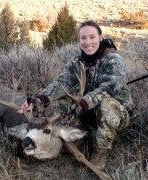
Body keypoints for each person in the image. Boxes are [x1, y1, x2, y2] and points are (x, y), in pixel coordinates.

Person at [18, 20, 134, 170]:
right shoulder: (78, 61)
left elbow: (110, 87)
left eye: (92, 37)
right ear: (79, 40)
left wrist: (84, 103)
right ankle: (64, 142)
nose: (88, 42)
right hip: (87, 111)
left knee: (107, 106)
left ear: (100, 37)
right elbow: (61, 83)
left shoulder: (113, 59)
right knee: (61, 109)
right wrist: (38, 100)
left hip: (117, 115)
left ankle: (101, 152)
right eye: (83, 38)